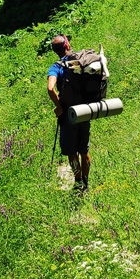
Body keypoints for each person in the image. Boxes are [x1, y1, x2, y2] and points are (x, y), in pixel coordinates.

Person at [47, 33, 90, 190]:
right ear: (67, 46)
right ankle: (86, 182)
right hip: (85, 110)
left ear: (55, 51)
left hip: (69, 114)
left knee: (72, 152)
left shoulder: (56, 67)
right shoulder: (80, 60)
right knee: (84, 151)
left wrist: (59, 107)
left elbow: (51, 88)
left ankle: (79, 184)